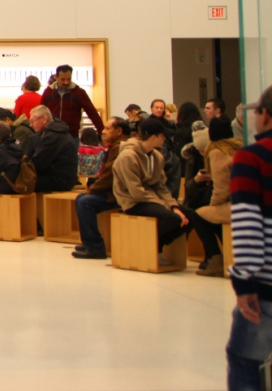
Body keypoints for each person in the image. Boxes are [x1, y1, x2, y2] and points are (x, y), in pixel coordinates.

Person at [200, 86, 272, 391]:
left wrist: (244, 282)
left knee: (245, 363)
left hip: (265, 286)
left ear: (264, 115)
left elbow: (246, 225)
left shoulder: (253, 158)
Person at [113, 116, 211, 268]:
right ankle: (148, 248)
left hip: (154, 199)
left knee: (191, 215)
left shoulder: (157, 157)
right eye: (162, 135)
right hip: (133, 201)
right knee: (173, 218)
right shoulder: (127, 157)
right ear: (153, 137)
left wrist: (173, 205)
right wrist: (169, 208)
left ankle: (209, 257)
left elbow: (161, 187)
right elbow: (136, 192)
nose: (165, 138)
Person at [72, 116, 129, 260]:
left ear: (119, 131)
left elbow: (109, 176)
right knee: (81, 199)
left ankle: (95, 246)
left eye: (107, 128)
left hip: (120, 193)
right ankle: (88, 242)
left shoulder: (120, 148)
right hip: (114, 190)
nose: (103, 132)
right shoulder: (115, 147)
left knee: (85, 201)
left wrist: (93, 189)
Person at [192, 117, 241, 277]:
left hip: (234, 205)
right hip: (250, 202)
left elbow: (221, 189)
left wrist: (213, 206)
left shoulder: (217, 152)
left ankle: (216, 258)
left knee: (198, 214)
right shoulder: (239, 146)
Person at [24, 105, 79, 192]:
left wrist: (23, 171)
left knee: (21, 184)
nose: (31, 125)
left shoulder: (53, 136)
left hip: (60, 180)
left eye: (32, 121)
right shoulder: (56, 132)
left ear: (44, 119)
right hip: (62, 178)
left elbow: (39, 162)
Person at [41, 65, 105, 137]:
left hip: (71, 135)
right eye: (63, 79)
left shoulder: (79, 93)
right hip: (51, 134)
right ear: (56, 77)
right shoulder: (48, 92)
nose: (66, 82)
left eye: (69, 79)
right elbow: (41, 112)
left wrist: (102, 131)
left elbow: (92, 113)